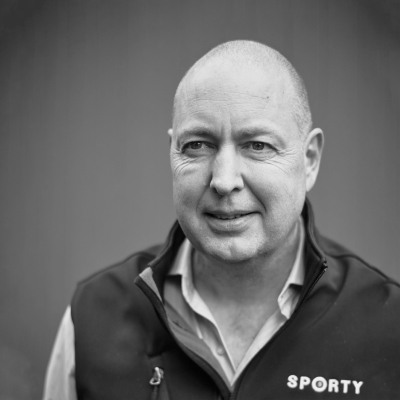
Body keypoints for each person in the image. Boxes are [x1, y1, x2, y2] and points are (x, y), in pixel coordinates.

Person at [43, 40, 400, 400]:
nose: (224, 180)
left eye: (257, 145)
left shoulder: (387, 328)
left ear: (309, 160)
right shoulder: (92, 320)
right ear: (172, 153)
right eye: (198, 145)